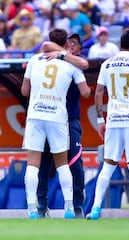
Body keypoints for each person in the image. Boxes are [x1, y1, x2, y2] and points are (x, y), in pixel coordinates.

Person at [21, 28, 91, 219]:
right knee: (62, 165)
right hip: (58, 117)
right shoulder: (71, 64)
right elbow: (86, 92)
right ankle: (69, 208)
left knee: (33, 165)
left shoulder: (34, 61)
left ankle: (32, 210)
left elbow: (25, 91)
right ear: (66, 43)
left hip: (36, 115)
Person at [86, 29, 129, 221]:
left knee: (108, 164)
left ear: (120, 44)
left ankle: (96, 208)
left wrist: (100, 120)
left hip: (113, 120)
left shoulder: (107, 64)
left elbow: (98, 93)